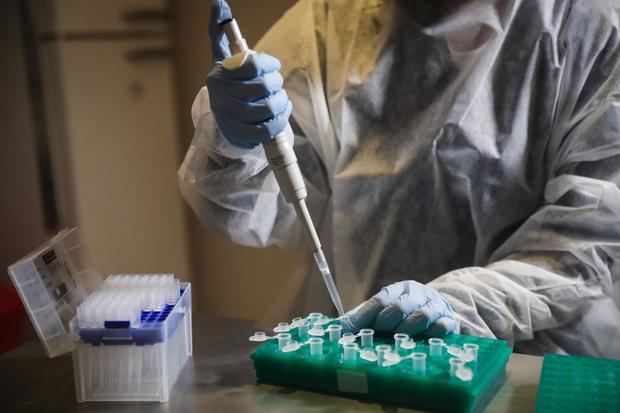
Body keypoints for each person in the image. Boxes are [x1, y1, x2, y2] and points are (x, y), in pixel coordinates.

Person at [178, 0, 620, 358]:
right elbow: (250, 210)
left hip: (539, 361)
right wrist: (234, 145)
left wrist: (460, 305)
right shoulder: (329, 24)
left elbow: (592, 240)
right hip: (370, 354)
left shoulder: (589, 25)